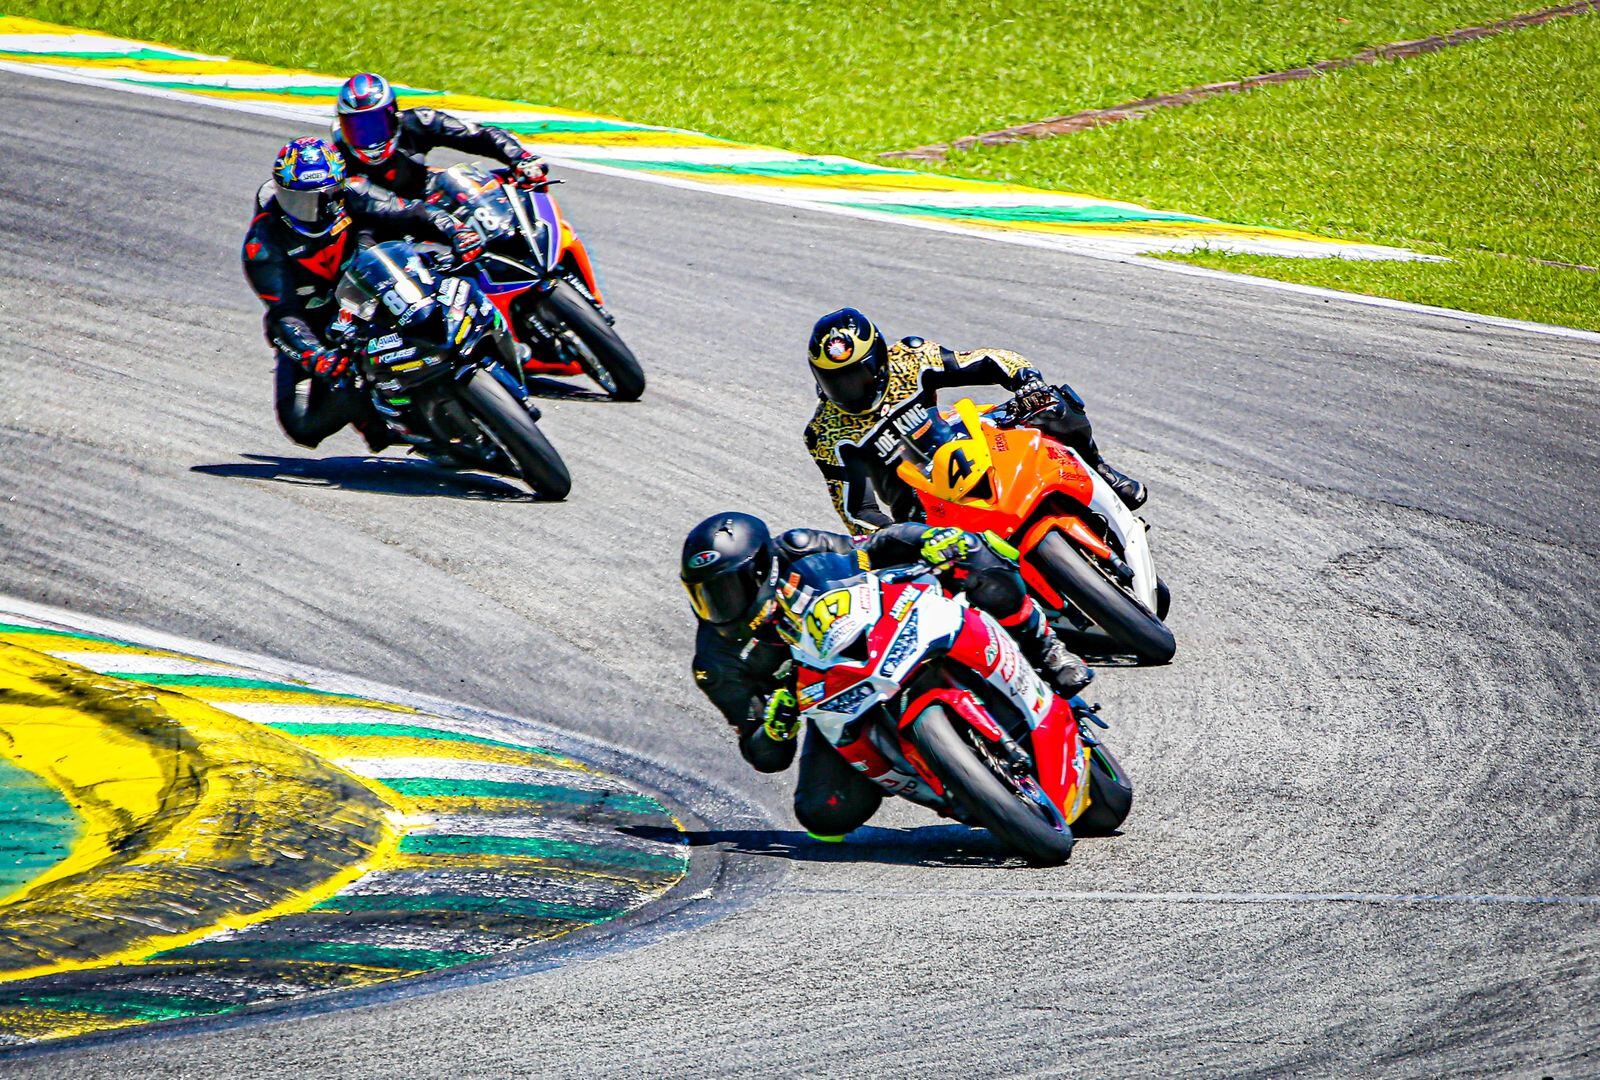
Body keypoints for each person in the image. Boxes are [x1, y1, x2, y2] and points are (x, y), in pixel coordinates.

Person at [681, 511, 1092, 840]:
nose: (717, 607)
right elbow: (764, 755)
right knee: (823, 813)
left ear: (761, 570)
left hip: (887, 629)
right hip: (830, 699)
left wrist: (928, 539)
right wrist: (778, 722)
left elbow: (875, 545)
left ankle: (1047, 649)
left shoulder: (803, 549)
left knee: (977, 554)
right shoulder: (716, 660)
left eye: (727, 589)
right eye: (705, 596)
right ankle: (954, 783)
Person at [802, 307, 1146, 534]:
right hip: (923, 507)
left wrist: (1026, 381)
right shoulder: (827, 434)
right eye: (836, 380)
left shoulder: (911, 359)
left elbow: (987, 360)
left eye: (857, 376)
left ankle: (1099, 468)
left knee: (1051, 403)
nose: (849, 389)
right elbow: (854, 509)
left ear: (878, 360)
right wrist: (890, 534)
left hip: (969, 445)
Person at [242, 136, 485, 449]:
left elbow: (413, 211)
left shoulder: (356, 192)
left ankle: (495, 340)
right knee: (301, 425)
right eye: (294, 200)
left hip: (382, 283)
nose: (307, 211)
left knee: (460, 267)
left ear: (337, 190)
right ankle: (383, 421)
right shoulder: (262, 244)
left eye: (319, 199)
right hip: (320, 323)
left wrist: (455, 229)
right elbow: (284, 313)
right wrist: (317, 356)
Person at [332, 72, 547, 200]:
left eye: (375, 125)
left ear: (393, 115)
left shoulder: (418, 122)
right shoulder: (336, 158)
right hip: (378, 229)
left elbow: (479, 135)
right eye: (358, 128)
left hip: (427, 202)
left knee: (480, 183)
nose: (369, 137)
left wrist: (521, 158)